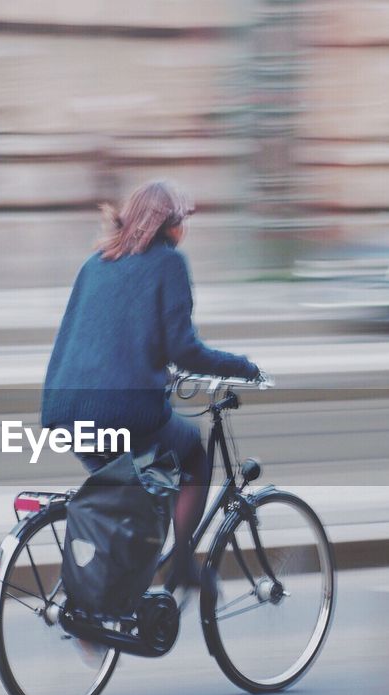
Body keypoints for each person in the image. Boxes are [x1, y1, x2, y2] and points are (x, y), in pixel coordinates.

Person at [41, 180, 260, 602]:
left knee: (129, 500)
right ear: (169, 223)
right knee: (192, 454)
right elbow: (183, 348)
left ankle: (90, 611)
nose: (185, 229)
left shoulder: (96, 262)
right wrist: (242, 367)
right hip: (119, 411)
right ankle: (181, 564)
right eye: (183, 220)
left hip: (63, 409)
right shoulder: (167, 263)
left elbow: (97, 338)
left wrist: (153, 369)